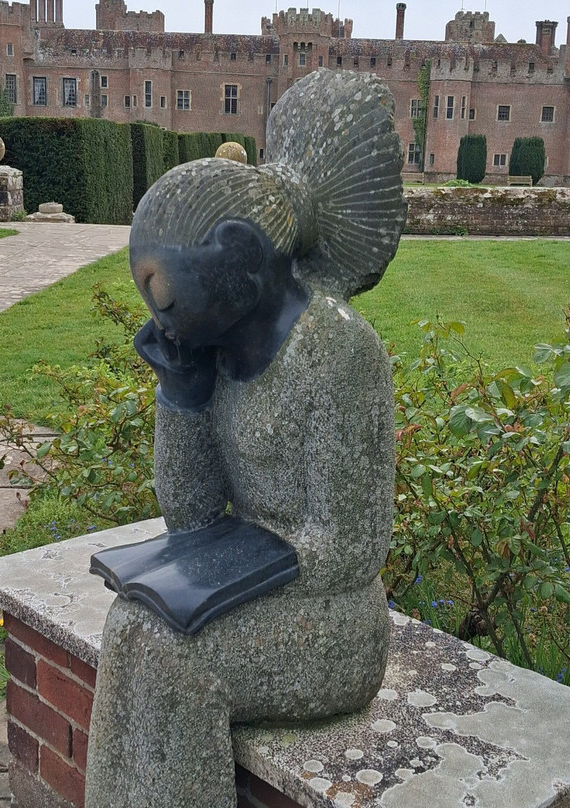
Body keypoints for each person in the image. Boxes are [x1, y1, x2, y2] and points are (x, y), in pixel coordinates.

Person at [85, 68, 407, 808]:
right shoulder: (217, 349)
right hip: (257, 580)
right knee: (130, 628)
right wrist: (183, 394)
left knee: (174, 659)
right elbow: (192, 515)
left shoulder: (339, 352)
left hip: (333, 618)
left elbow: (353, 548)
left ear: (240, 260)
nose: (157, 319)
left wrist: (234, 566)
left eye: (166, 298)